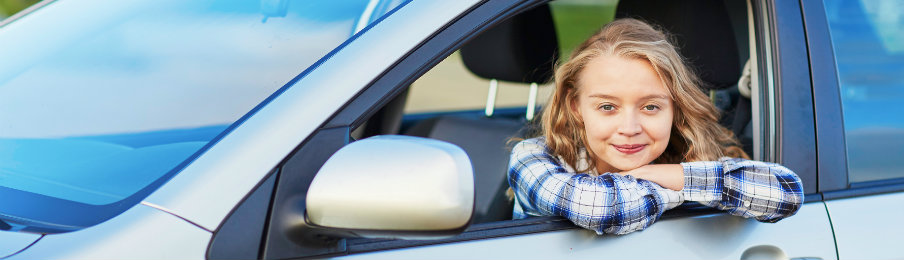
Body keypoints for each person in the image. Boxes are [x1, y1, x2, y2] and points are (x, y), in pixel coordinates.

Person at [507, 18, 803, 235]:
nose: (630, 127)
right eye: (607, 107)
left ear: (675, 108)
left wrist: (663, 172)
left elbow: (786, 190)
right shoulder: (532, 158)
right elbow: (600, 208)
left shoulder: (686, 157)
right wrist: (677, 188)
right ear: (576, 106)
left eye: (651, 107)